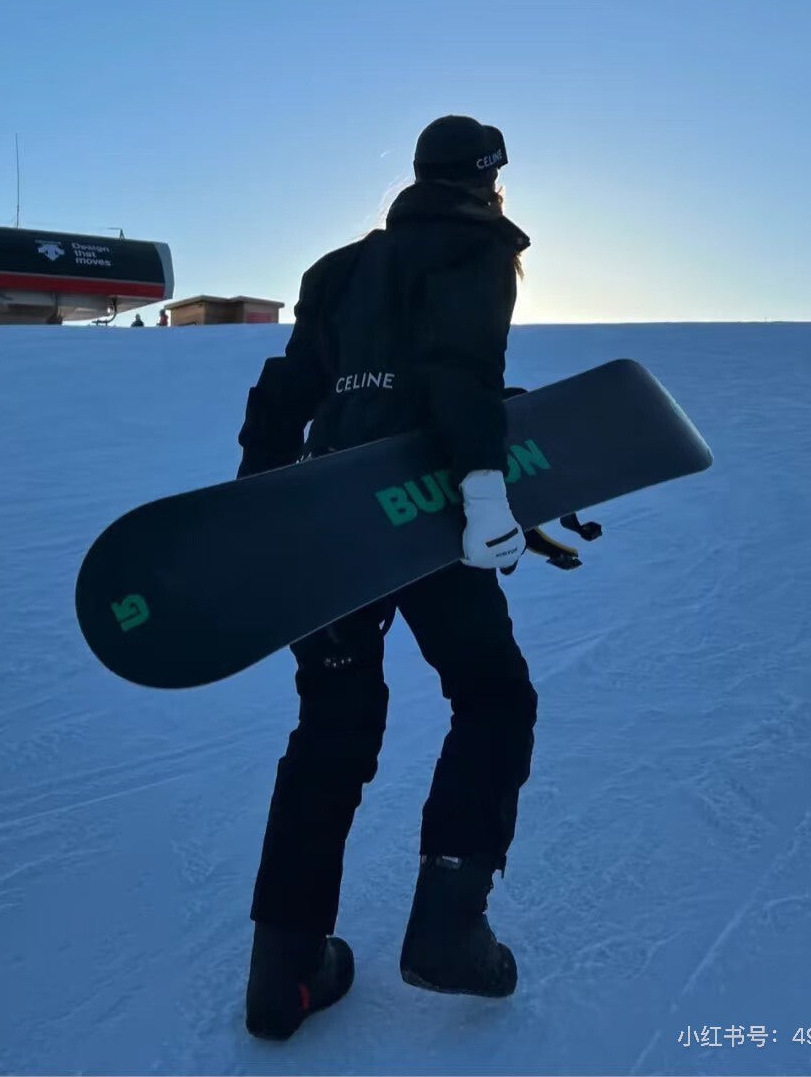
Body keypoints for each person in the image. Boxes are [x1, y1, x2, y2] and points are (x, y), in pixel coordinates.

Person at [237, 115, 537, 1041]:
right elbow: (457, 370)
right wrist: (484, 490)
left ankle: (283, 974)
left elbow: (289, 390)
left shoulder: (337, 269)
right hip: (424, 513)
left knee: (332, 727)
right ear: (487, 180)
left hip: (330, 520)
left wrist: (257, 504)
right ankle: (449, 925)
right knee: (492, 696)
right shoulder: (478, 248)